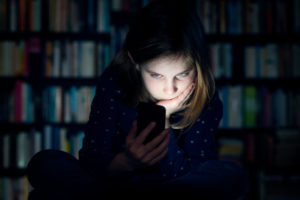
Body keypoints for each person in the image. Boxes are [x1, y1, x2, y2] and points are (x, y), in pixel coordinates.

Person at [27, 0, 247, 199]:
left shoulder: (204, 95)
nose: (170, 88)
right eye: (156, 75)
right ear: (135, 62)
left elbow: (191, 171)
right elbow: (92, 158)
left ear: (197, 65)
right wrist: (126, 162)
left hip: (171, 183)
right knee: (44, 163)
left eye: (181, 74)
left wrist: (165, 117)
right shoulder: (116, 81)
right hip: (118, 179)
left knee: (231, 174)